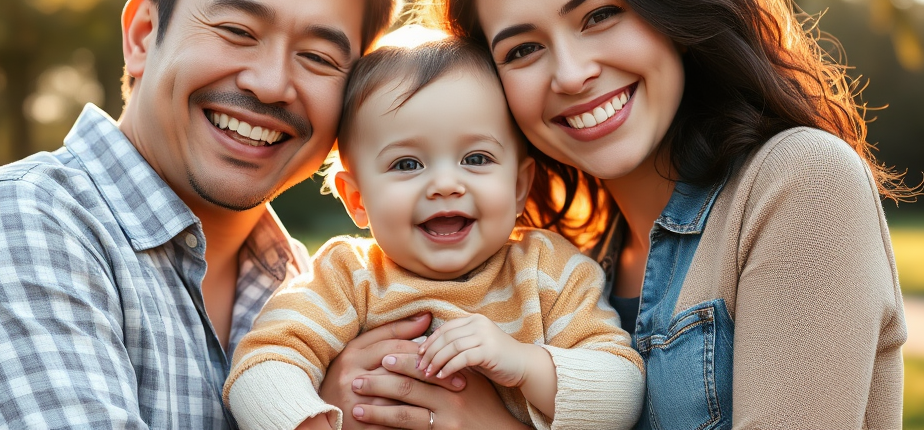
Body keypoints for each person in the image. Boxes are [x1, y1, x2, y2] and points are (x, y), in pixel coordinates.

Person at [333, 0, 909, 430]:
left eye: (600, 14)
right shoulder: (569, 273)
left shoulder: (799, 182)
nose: (572, 72)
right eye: (522, 50)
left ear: (669, 3)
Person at [0, 0, 404, 429]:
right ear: (141, 36)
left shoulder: (320, 292)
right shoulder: (20, 225)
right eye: (238, 30)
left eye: (320, 58)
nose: (272, 83)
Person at [222, 37, 645, 430]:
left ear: (518, 187)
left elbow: (623, 394)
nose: (445, 183)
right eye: (407, 164)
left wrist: (524, 362)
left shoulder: (550, 273)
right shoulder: (348, 278)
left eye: (476, 158)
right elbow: (262, 364)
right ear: (358, 200)